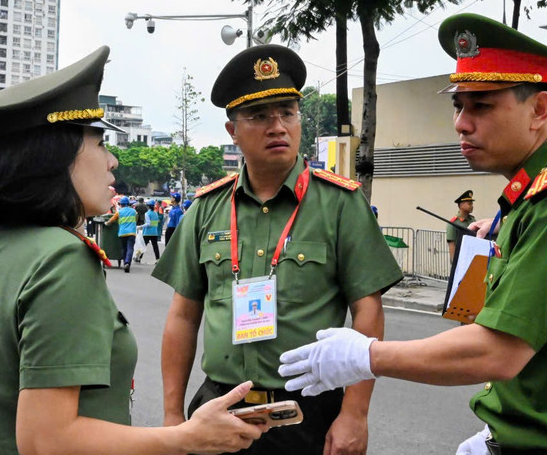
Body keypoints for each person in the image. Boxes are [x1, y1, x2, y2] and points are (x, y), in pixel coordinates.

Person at [279, 14, 547, 454]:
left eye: (482, 106)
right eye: (459, 105)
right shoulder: (534, 192)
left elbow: (498, 351)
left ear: (540, 110)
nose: (461, 123)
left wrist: (367, 356)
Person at [0, 45, 266, 455]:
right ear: (55, 158)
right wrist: (187, 437)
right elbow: (47, 439)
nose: (112, 161)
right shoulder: (61, 259)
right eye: (99, 144)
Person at [153, 44, 402, 455]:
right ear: (233, 131)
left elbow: (368, 310)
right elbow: (183, 315)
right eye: (259, 116)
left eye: (287, 112)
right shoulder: (206, 208)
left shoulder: (340, 203)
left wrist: (355, 413)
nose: (278, 126)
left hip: (307, 416)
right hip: (219, 409)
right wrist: (171, 415)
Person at [106, 196, 137, 272]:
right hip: (132, 233)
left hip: (122, 233)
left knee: (124, 248)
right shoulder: (134, 212)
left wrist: (106, 223)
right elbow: (136, 220)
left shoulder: (119, 212)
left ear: (121, 204)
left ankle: (124, 263)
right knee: (130, 248)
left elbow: (111, 221)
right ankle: (127, 263)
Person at [446, 190, 476, 262]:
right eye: (469, 204)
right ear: (461, 205)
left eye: (472, 204)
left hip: (471, 256)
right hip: (460, 258)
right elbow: (451, 244)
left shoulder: (472, 220)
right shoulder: (453, 223)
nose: (472, 206)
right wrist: (454, 262)